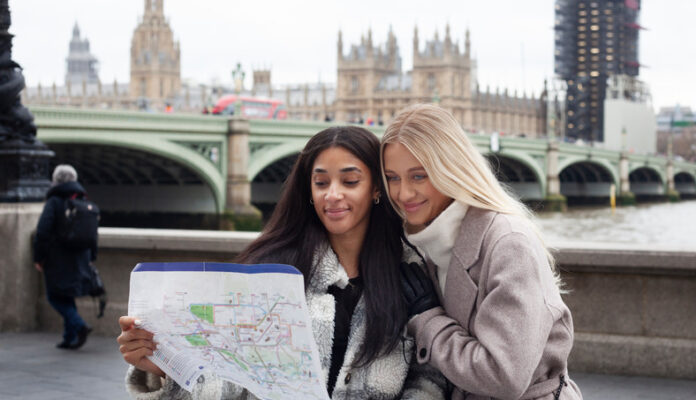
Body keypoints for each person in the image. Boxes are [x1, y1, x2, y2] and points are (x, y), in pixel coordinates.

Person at [117, 126, 446, 399]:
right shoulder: (270, 274)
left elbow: (428, 378)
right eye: (320, 183)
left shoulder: (410, 275)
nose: (332, 194)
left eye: (349, 181)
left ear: (376, 188)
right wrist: (165, 370)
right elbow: (231, 380)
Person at [381, 104, 583, 400]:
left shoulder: (508, 242)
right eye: (392, 177)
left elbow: (504, 376)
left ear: (450, 167)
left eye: (418, 176)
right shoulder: (423, 242)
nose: (403, 193)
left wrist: (428, 320)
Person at [33, 164, 96, 350]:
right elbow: (93, 233)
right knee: (66, 296)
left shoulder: (54, 201)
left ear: (55, 180)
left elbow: (42, 231)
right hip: (80, 256)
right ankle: (69, 337)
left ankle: (80, 325)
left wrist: (39, 257)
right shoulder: (83, 199)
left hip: (58, 257)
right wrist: (92, 256)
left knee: (54, 296)